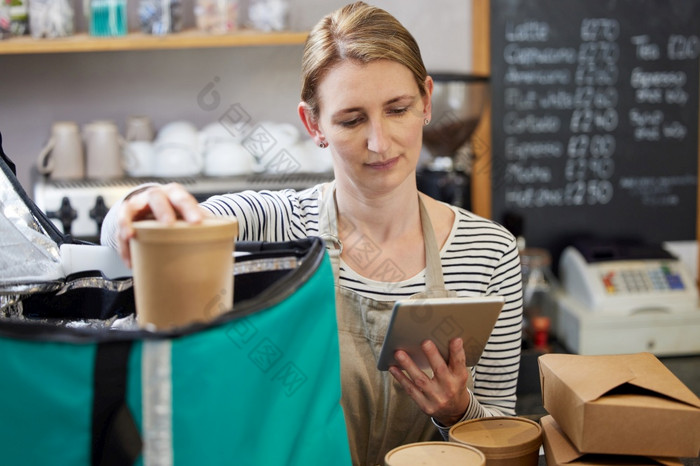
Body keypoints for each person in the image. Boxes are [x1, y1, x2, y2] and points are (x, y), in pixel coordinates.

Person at [101, 2, 523, 464]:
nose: (379, 143)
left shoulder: (489, 251)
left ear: (426, 101)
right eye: (351, 120)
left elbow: (502, 438)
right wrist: (132, 208)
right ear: (313, 124)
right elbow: (134, 235)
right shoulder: (273, 225)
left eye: (397, 109)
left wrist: (457, 411)